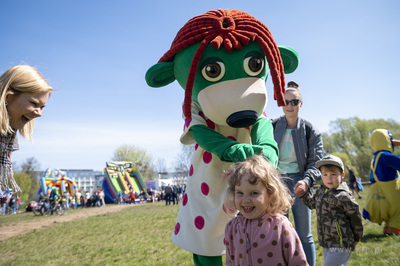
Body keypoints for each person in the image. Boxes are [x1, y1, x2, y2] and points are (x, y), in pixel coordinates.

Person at [272, 81, 323, 266]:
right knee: (279, 234)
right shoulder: (271, 127)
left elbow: (315, 163)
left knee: (304, 234)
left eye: (294, 102)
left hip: (300, 182)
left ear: (301, 103)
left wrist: (307, 182)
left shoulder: (311, 131)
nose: (289, 105)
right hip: (276, 184)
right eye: (285, 101)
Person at [224, 155, 307, 266]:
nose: (246, 200)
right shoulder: (231, 228)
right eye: (240, 193)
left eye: (254, 193)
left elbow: (298, 263)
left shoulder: (281, 226)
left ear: (270, 193)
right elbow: (230, 262)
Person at [298, 155, 363, 266]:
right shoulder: (320, 192)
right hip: (325, 242)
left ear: (342, 175)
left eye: (333, 174)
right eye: (325, 175)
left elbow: (355, 217)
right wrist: (303, 194)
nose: (329, 178)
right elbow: (312, 203)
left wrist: (357, 236)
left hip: (341, 243)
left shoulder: (344, 196)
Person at [0, 65, 53, 193]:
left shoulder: (8, 138)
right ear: (8, 95)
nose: (39, 113)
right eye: (34, 103)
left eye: (42, 107)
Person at [363, 129, 400, 235]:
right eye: (390, 140)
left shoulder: (376, 157)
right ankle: (393, 233)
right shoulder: (385, 156)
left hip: (383, 195)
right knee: (397, 217)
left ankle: (388, 232)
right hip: (393, 195)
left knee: (391, 220)